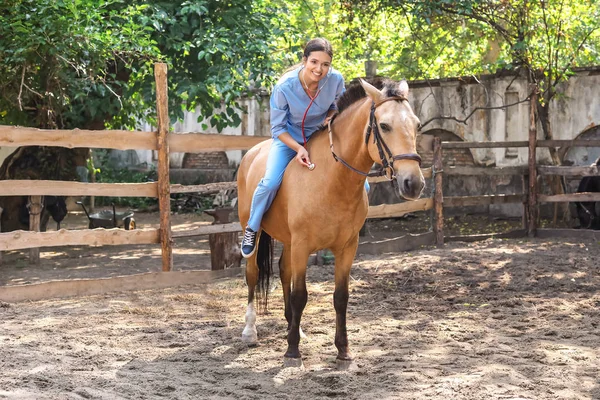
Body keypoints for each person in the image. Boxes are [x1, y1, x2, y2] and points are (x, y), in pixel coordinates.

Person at [241, 38, 357, 258]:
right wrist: (298, 148)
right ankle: (252, 228)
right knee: (270, 182)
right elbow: (278, 128)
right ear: (304, 60)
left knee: (363, 185)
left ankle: (343, 231)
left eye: (325, 64)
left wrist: (330, 117)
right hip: (288, 139)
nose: (319, 69)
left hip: (320, 137)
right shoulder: (284, 86)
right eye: (314, 62)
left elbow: (338, 107)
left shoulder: (336, 80)